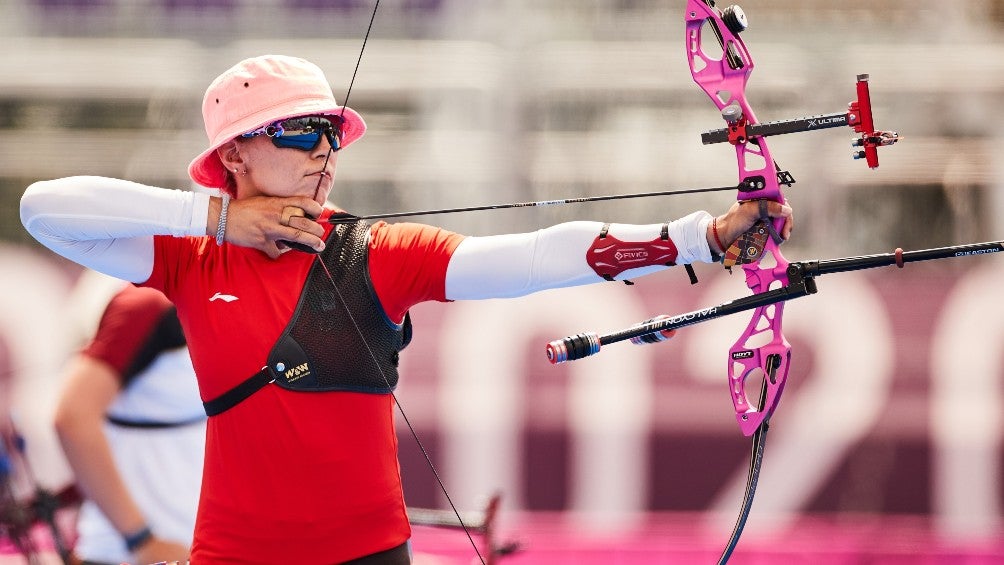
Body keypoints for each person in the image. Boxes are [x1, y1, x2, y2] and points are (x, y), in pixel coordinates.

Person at [20, 54, 793, 564]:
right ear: (235, 156)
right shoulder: (190, 258)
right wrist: (216, 219)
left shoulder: (373, 253)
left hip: (370, 553)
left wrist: (698, 237)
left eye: (332, 132)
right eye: (299, 132)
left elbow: (530, 257)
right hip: (232, 554)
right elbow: (41, 208)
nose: (323, 149)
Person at [55, 283, 204, 565]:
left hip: (197, 544)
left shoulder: (225, 294)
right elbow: (73, 418)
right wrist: (141, 539)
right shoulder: (148, 304)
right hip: (132, 553)